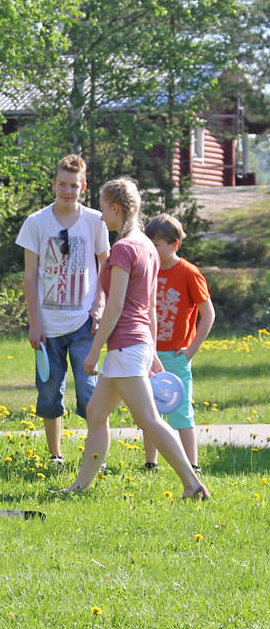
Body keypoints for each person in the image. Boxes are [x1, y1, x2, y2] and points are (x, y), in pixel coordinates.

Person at [61, 178, 209, 499]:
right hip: (135, 345)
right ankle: (78, 487)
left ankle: (193, 484)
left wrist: (93, 351)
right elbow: (150, 308)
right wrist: (153, 350)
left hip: (126, 345)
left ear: (116, 208)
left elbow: (114, 306)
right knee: (96, 414)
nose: (101, 216)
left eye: (103, 208)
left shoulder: (125, 249)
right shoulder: (146, 246)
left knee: (149, 420)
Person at [16, 154, 110, 464]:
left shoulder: (96, 221)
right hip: (47, 326)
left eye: (74, 186)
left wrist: (99, 307)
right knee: (48, 392)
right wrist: (34, 323)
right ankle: (55, 455)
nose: (67, 191)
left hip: (85, 324)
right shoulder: (36, 222)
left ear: (83, 187)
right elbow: (30, 276)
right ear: (53, 184)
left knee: (90, 392)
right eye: (62, 185)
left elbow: (106, 267)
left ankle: (95, 454)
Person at [141, 213, 215, 472]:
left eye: (156, 244)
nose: (151, 249)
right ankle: (151, 463)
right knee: (150, 412)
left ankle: (192, 465)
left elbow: (209, 313)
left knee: (181, 411)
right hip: (150, 354)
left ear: (174, 244)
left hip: (176, 355)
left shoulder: (189, 273)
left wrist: (191, 350)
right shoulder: (147, 270)